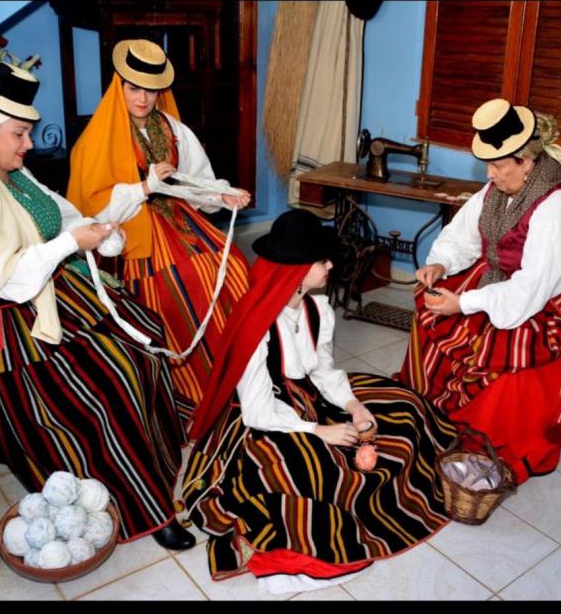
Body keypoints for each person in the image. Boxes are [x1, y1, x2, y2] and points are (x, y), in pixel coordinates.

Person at [0, 62, 195, 550]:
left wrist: (99, 233)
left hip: (46, 294)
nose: (27, 145)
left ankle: (157, 462)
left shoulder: (17, 175)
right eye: (19, 134)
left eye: (27, 133)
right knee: (107, 384)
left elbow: (65, 215)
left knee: (144, 332)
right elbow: (4, 283)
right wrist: (71, 242)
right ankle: (143, 507)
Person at [182, 209, 457, 592]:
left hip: (308, 399)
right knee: (312, 468)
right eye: (321, 260)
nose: (330, 265)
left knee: (406, 406)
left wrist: (352, 406)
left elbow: (324, 372)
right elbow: (259, 410)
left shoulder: (317, 308)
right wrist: (317, 430)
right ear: (294, 271)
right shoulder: (256, 323)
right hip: (264, 418)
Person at [399, 98, 561, 485]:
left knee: (504, 348)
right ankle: (434, 407)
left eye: (499, 166)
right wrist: (442, 264)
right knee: (428, 311)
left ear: (528, 162)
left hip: (550, 292)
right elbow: (463, 237)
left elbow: (533, 289)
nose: (489, 175)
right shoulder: (498, 191)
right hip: (509, 279)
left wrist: (466, 303)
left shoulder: (559, 209)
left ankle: (486, 436)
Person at [67, 39, 251, 416]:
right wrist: (144, 187)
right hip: (131, 234)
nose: (143, 98)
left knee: (231, 264)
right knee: (185, 283)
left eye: (151, 90)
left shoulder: (173, 129)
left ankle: (241, 380)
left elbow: (197, 182)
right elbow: (95, 209)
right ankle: (193, 392)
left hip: (180, 220)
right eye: (134, 88)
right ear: (119, 85)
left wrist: (224, 197)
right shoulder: (96, 139)